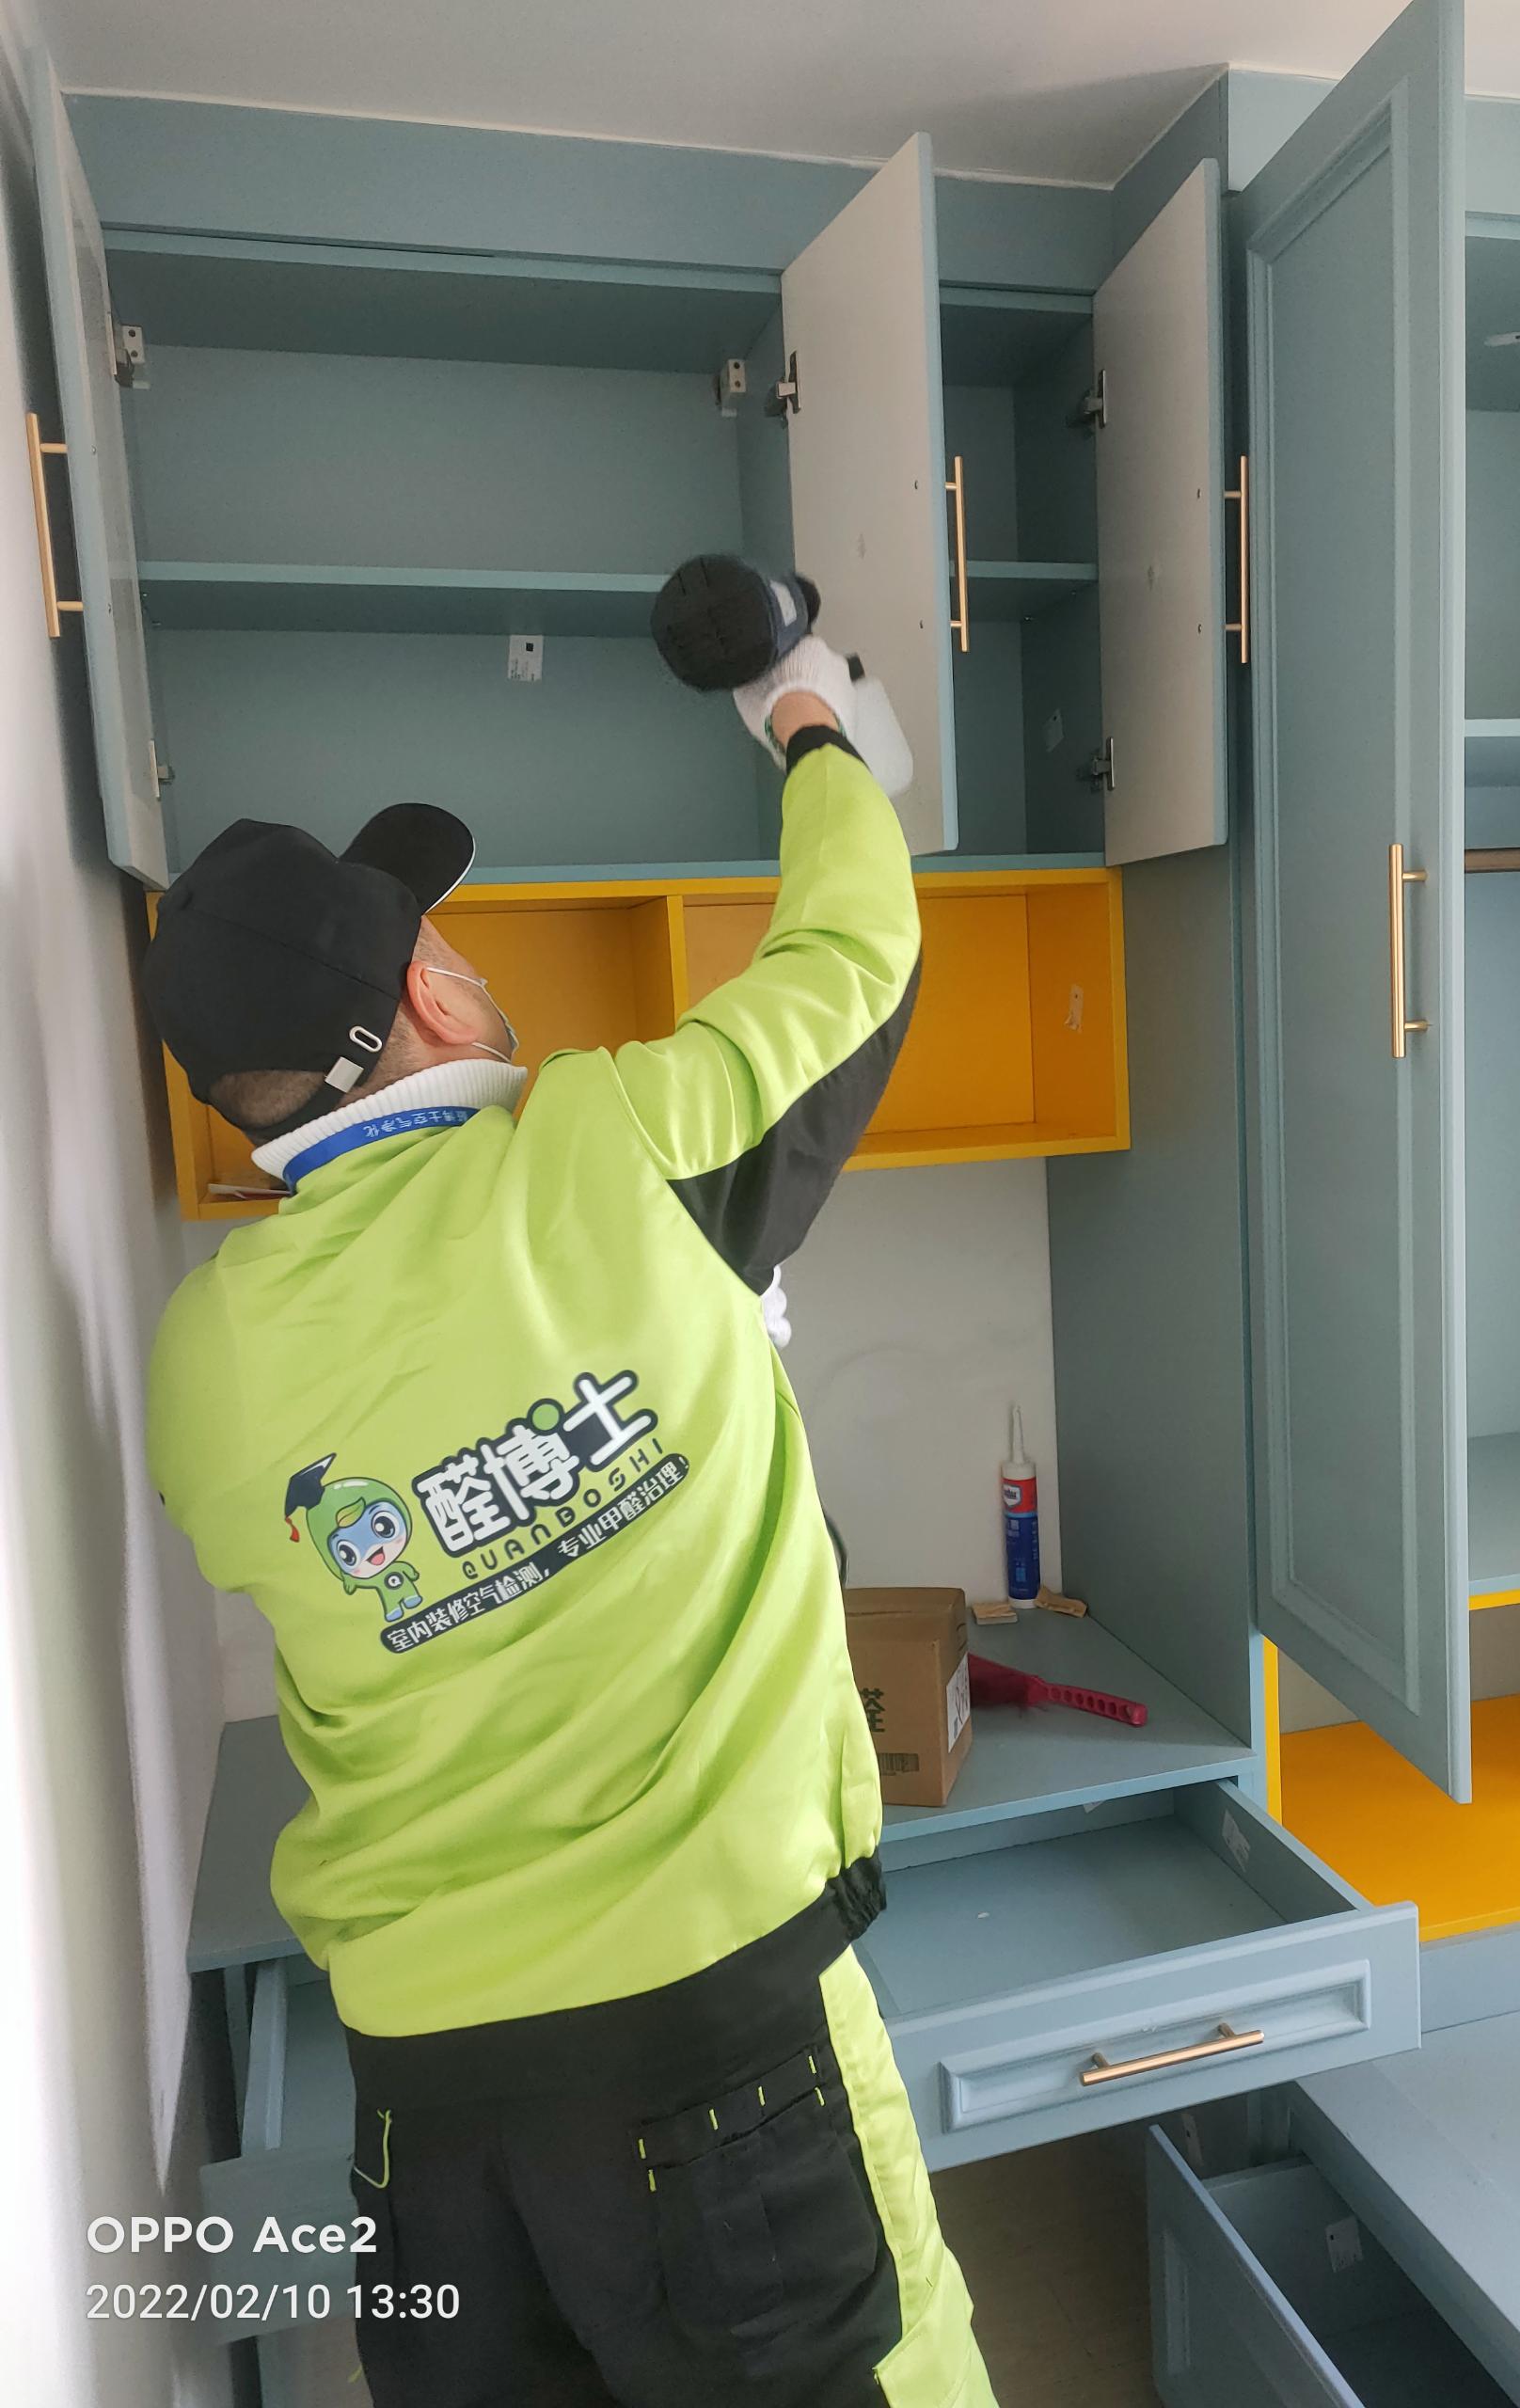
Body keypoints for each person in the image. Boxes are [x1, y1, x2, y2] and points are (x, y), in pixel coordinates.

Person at [142, 594, 997, 2408]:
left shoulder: (204, 1361)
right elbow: (853, 954)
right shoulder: (610, 1153)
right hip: (719, 2061)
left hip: (426, 2117)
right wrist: (810, 723)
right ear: (429, 997)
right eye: (444, 940)